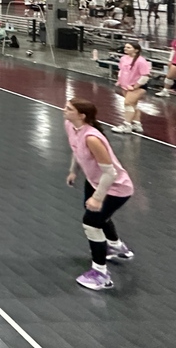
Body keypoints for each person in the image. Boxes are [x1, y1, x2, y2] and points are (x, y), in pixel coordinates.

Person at [64, 98, 135, 291]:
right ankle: (116, 247)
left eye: (69, 109)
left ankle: (101, 274)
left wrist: (97, 197)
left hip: (116, 187)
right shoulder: (71, 126)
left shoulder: (92, 138)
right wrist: (73, 171)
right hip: (94, 181)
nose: (65, 110)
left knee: (91, 223)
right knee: (99, 218)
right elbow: (75, 150)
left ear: (82, 115)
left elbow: (110, 173)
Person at [112, 41, 151, 133]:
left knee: (128, 103)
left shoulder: (141, 61)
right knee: (133, 105)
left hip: (137, 86)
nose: (125, 49)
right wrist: (119, 81)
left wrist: (135, 86)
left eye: (128, 47)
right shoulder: (123, 58)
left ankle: (127, 125)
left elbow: (145, 76)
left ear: (136, 50)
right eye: (125, 47)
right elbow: (121, 70)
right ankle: (137, 124)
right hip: (126, 85)